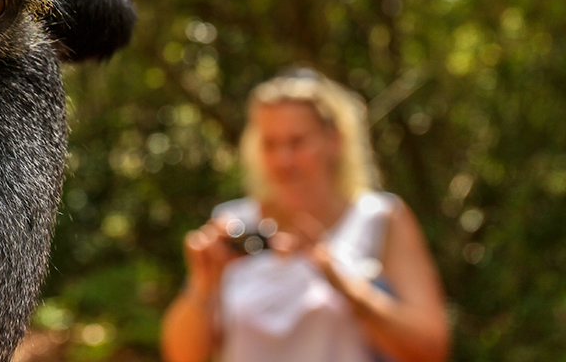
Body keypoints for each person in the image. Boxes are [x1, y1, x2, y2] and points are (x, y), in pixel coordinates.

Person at [160, 68, 449, 362]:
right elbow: (182, 356)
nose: (283, 160)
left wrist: (341, 284)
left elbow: (430, 350)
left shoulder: (379, 218)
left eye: (296, 142)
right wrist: (203, 285)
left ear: (334, 140)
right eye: (270, 144)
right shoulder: (232, 223)